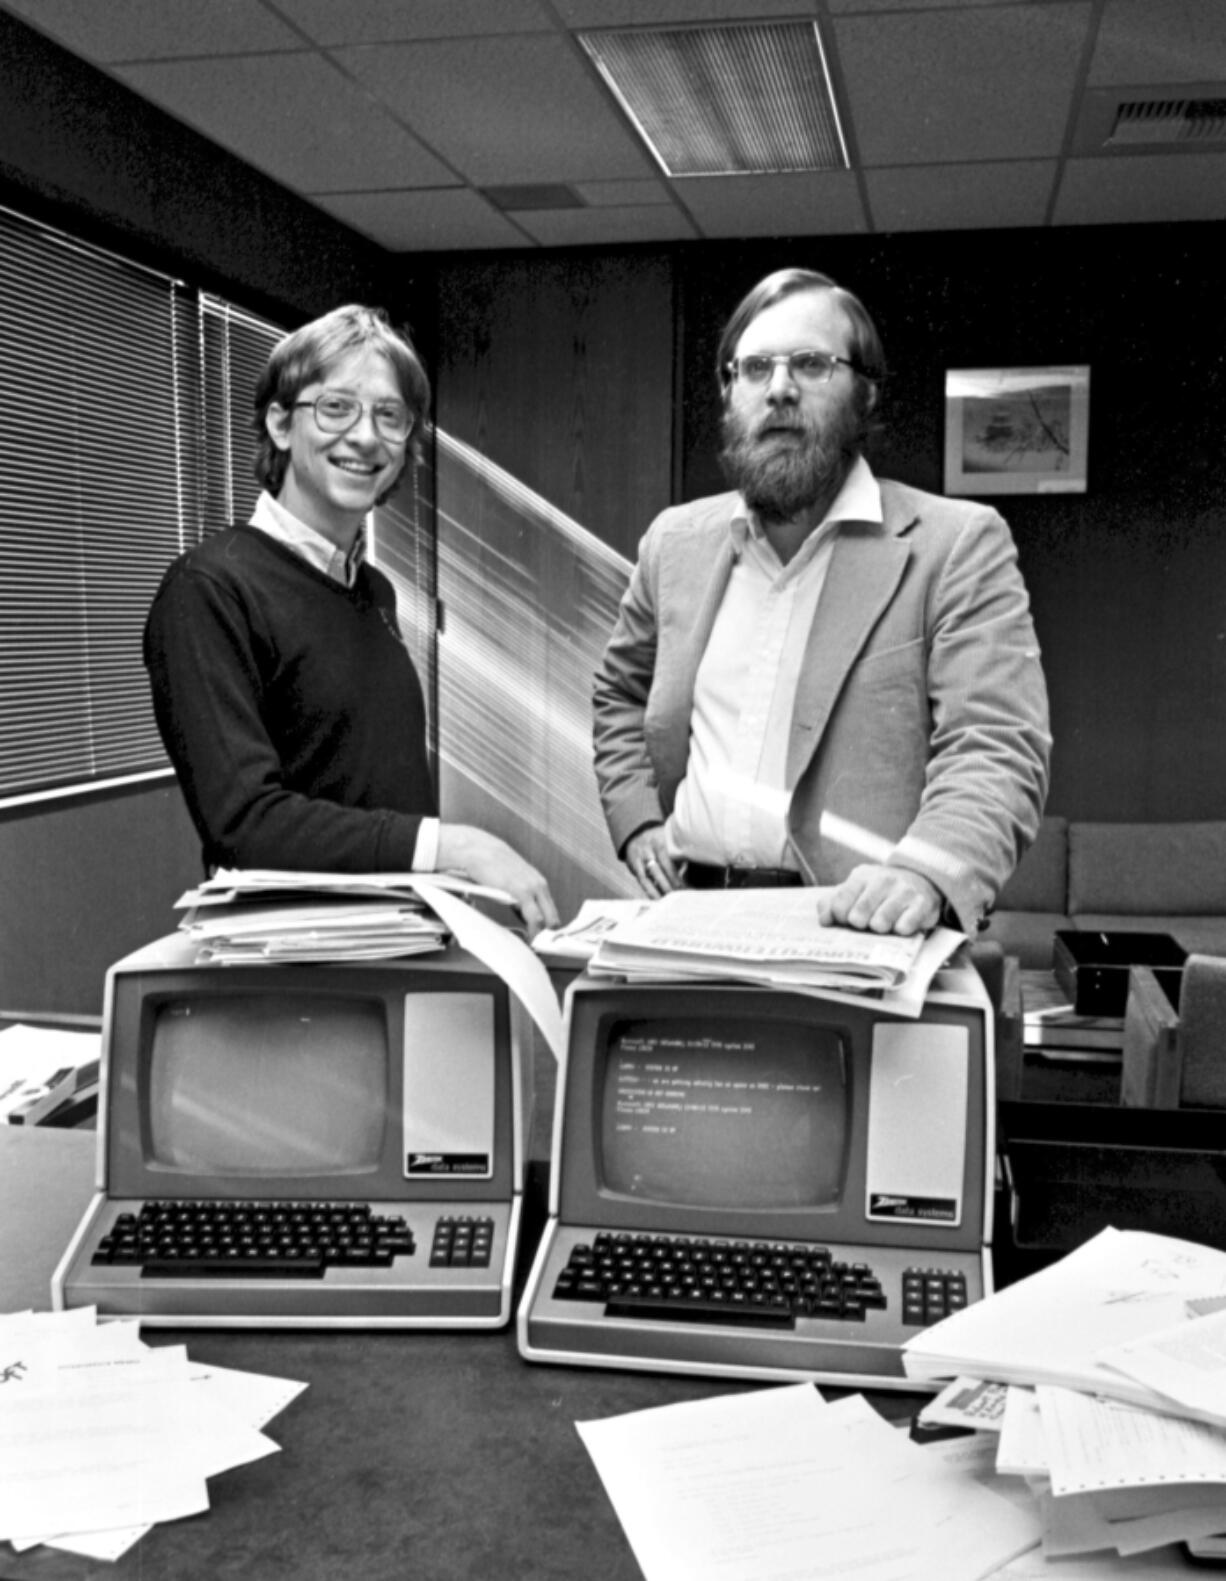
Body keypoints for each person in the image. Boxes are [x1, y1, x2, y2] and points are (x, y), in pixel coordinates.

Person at [593, 268, 1051, 937]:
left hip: (862, 934)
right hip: (688, 918)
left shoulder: (955, 545)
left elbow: (997, 744)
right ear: (729, 396)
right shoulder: (674, 543)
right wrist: (634, 820)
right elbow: (619, 695)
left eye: (810, 363)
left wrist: (925, 873)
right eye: (753, 368)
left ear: (864, 394)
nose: (779, 388)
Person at [144, 303, 558, 937]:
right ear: (280, 424)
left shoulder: (373, 592)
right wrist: (456, 848)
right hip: (293, 968)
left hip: (398, 940)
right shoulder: (210, 589)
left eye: (389, 416)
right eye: (336, 407)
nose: (366, 436)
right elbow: (246, 823)